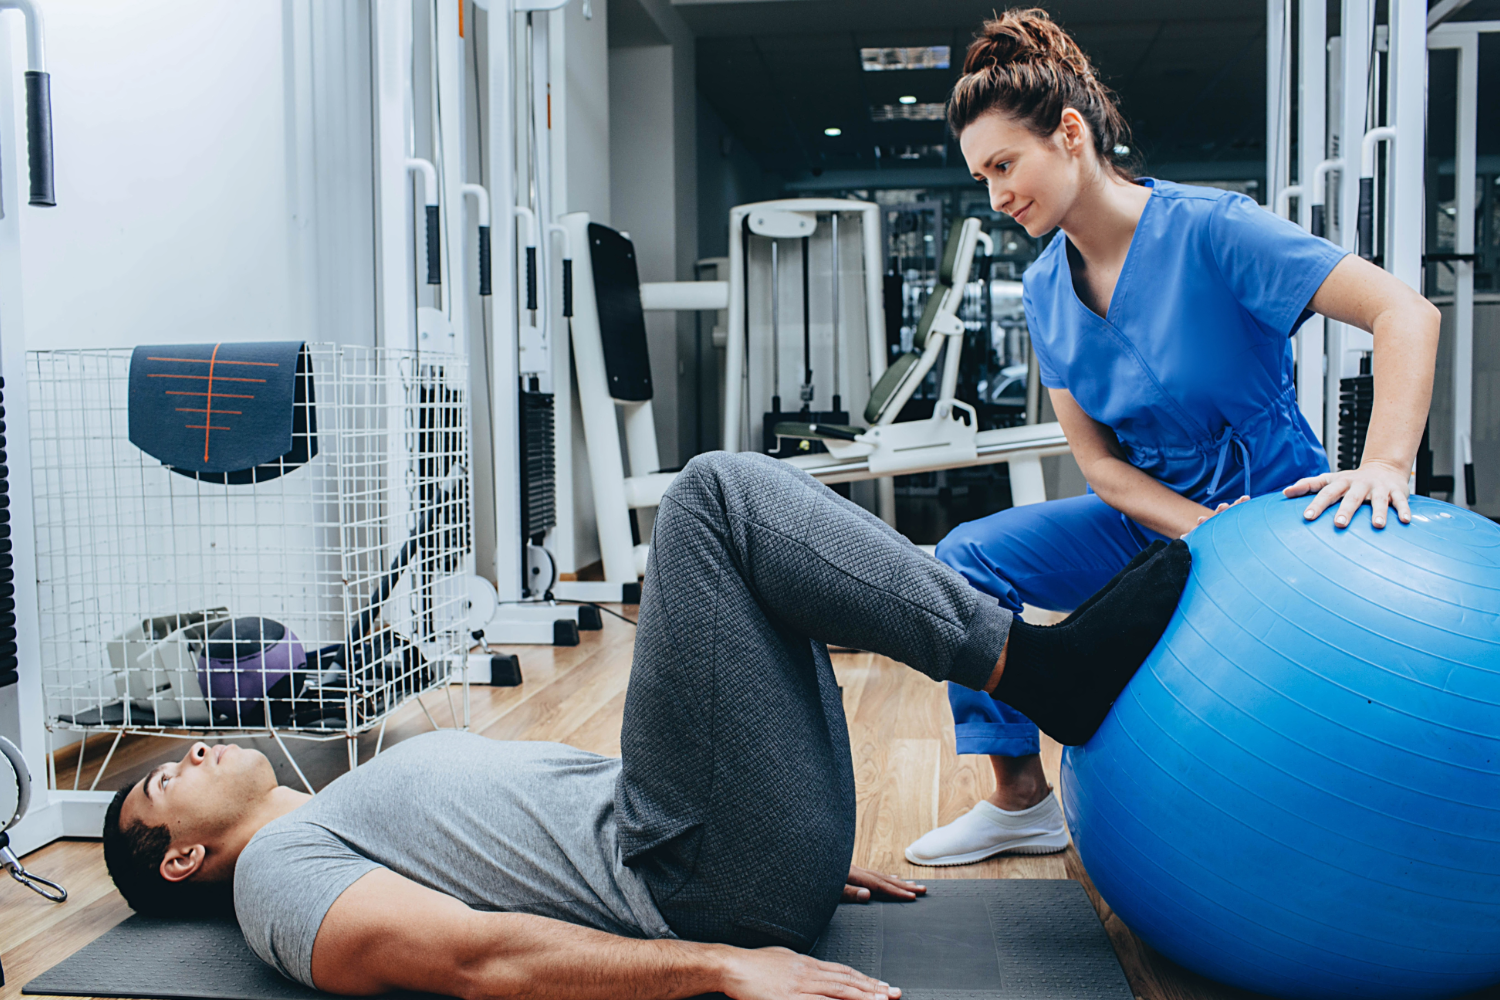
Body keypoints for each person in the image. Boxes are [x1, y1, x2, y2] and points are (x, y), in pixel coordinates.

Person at [103, 452, 1191, 1000]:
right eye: (165, 782)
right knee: (712, 497)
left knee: (758, 555)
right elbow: (479, 963)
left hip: (715, 840)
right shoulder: (276, 880)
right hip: (692, 881)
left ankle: (1028, 662)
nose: (190, 752)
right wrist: (720, 964)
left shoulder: (338, 804)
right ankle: (1040, 669)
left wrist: (787, 826)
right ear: (188, 855)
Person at [903, 8, 1440, 869]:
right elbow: (1100, 467)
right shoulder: (1045, 291)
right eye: (982, 178)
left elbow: (1405, 312)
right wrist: (1199, 530)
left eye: (1005, 165)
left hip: (1276, 510)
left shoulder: (1214, 229)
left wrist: (1384, 463)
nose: (997, 196)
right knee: (963, 558)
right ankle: (1020, 802)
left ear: (1069, 133)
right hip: (1150, 519)